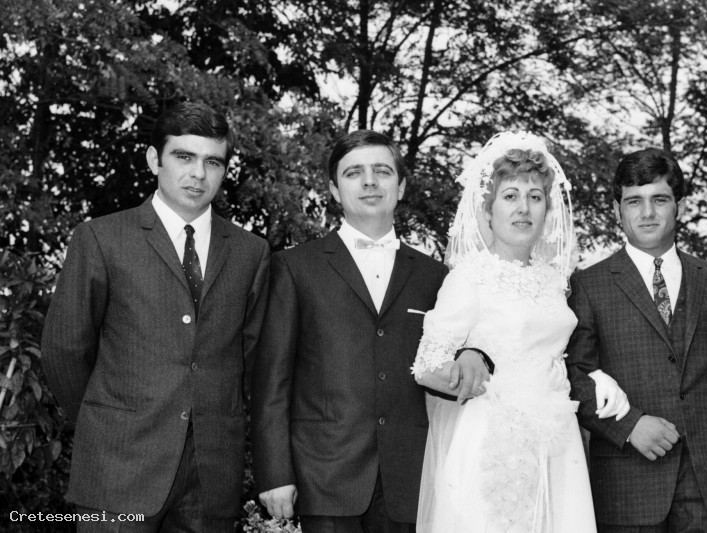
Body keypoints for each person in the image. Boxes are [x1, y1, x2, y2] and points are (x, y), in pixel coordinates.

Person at [41, 102, 270, 532]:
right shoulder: (101, 238)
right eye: (184, 156)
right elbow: (64, 350)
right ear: (154, 159)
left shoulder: (251, 253)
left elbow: (253, 360)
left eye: (212, 162)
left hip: (211, 477)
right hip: (117, 469)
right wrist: (107, 420)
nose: (198, 173)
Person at [250, 129, 488, 533]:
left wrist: (472, 353)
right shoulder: (294, 268)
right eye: (353, 173)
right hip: (323, 475)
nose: (369, 182)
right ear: (334, 189)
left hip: (410, 478)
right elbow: (271, 381)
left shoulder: (435, 276)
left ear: (401, 186)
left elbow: (450, 360)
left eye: (382, 171)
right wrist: (275, 474)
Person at [411, 131, 630, 533]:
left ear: (547, 208)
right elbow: (426, 368)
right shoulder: (469, 278)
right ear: (488, 208)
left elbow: (558, 352)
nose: (523, 208)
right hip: (494, 443)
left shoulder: (555, 280)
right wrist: (472, 365)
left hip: (557, 441)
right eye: (510, 196)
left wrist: (596, 376)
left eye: (535, 196)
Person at [566, 147, 707, 532]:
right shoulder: (588, 286)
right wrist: (629, 425)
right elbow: (574, 376)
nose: (647, 212)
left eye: (659, 199)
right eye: (634, 201)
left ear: (680, 206)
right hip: (628, 484)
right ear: (617, 211)